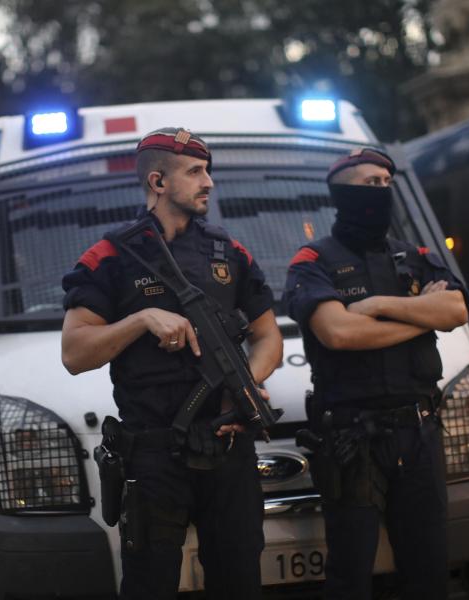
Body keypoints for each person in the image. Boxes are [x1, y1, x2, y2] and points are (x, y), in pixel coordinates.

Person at [61, 127, 283, 600]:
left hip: (227, 448)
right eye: (195, 172)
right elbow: (75, 353)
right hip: (155, 456)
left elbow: (268, 336)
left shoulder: (229, 252)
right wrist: (140, 319)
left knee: (240, 583)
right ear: (158, 182)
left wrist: (245, 384)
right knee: (149, 585)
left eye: (208, 171)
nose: (209, 182)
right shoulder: (110, 256)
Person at [283, 148, 469, 599]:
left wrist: (380, 305)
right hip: (353, 441)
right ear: (342, 193)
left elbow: (456, 310)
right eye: (371, 183)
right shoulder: (312, 260)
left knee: (429, 572)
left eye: (387, 183)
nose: (382, 191)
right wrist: (421, 314)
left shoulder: (414, 254)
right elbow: (339, 332)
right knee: (350, 576)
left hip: (419, 433)